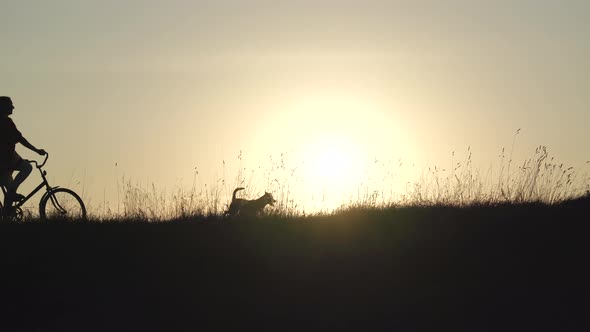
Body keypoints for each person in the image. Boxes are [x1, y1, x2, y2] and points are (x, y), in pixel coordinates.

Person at [0, 96, 46, 203]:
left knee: (10, 189)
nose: (13, 107)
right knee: (27, 168)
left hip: (7, 160)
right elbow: (20, 139)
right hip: (6, 160)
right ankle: (11, 197)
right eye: (10, 104)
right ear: (4, 107)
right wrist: (37, 150)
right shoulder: (6, 122)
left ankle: (7, 215)